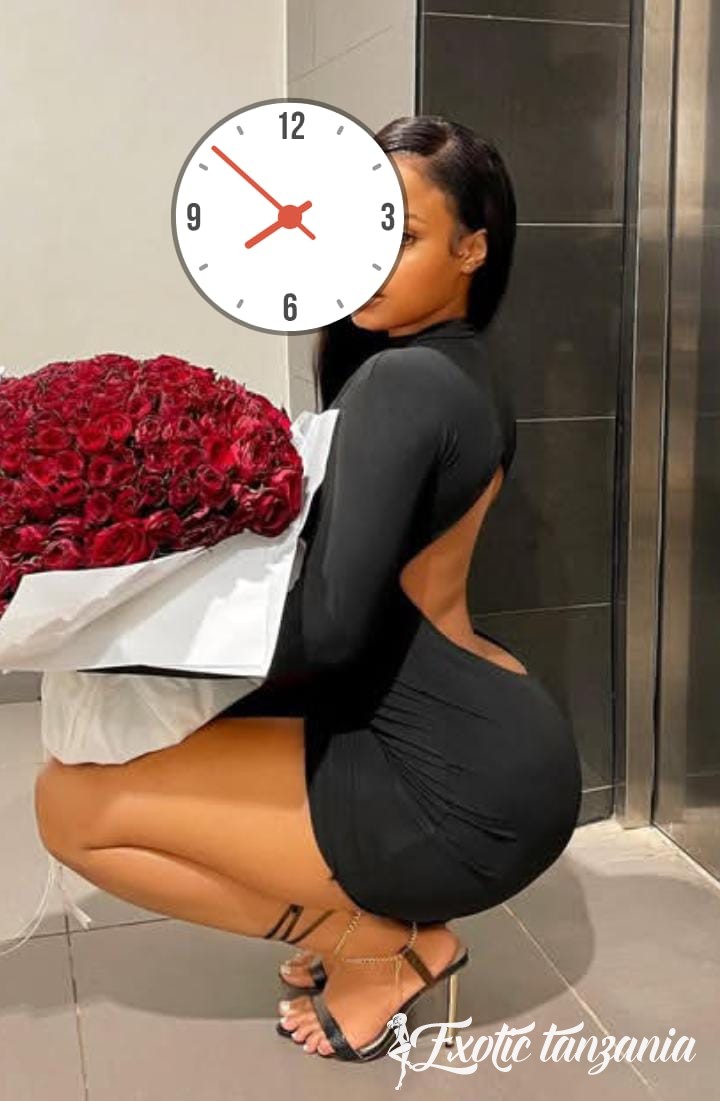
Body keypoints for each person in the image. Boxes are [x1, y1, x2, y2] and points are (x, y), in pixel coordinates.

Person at [33, 115, 582, 1063]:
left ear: (473, 248)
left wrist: (98, 625)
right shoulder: (462, 371)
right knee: (126, 764)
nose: (363, 259)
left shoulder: (404, 384)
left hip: (454, 783)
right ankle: (365, 922)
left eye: (400, 234)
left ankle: (377, 947)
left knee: (69, 810)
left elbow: (328, 628)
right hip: (480, 738)